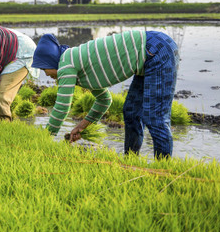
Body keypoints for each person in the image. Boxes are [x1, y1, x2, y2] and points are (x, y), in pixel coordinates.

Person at [31, 30, 179, 159]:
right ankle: (130, 161)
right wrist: (82, 126)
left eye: (45, 70)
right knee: (131, 112)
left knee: (155, 117)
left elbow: (62, 107)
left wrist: (43, 139)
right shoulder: (77, 66)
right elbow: (104, 100)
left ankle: (163, 167)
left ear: (50, 61)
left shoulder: (66, 64)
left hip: (156, 49)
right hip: (148, 54)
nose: (47, 75)